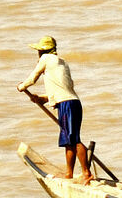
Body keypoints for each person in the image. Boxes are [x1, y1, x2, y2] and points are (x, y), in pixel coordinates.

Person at [20, 36, 87, 180]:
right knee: (69, 141)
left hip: (67, 104)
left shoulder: (46, 58)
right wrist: (42, 99)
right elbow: (63, 89)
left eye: (38, 51)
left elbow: (33, 78)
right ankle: (69, 173)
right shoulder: (61, 62)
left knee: (74, 140)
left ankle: (87, 173)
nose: (38, 54)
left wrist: (22, 86)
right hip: (73, 103)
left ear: (42, 51)